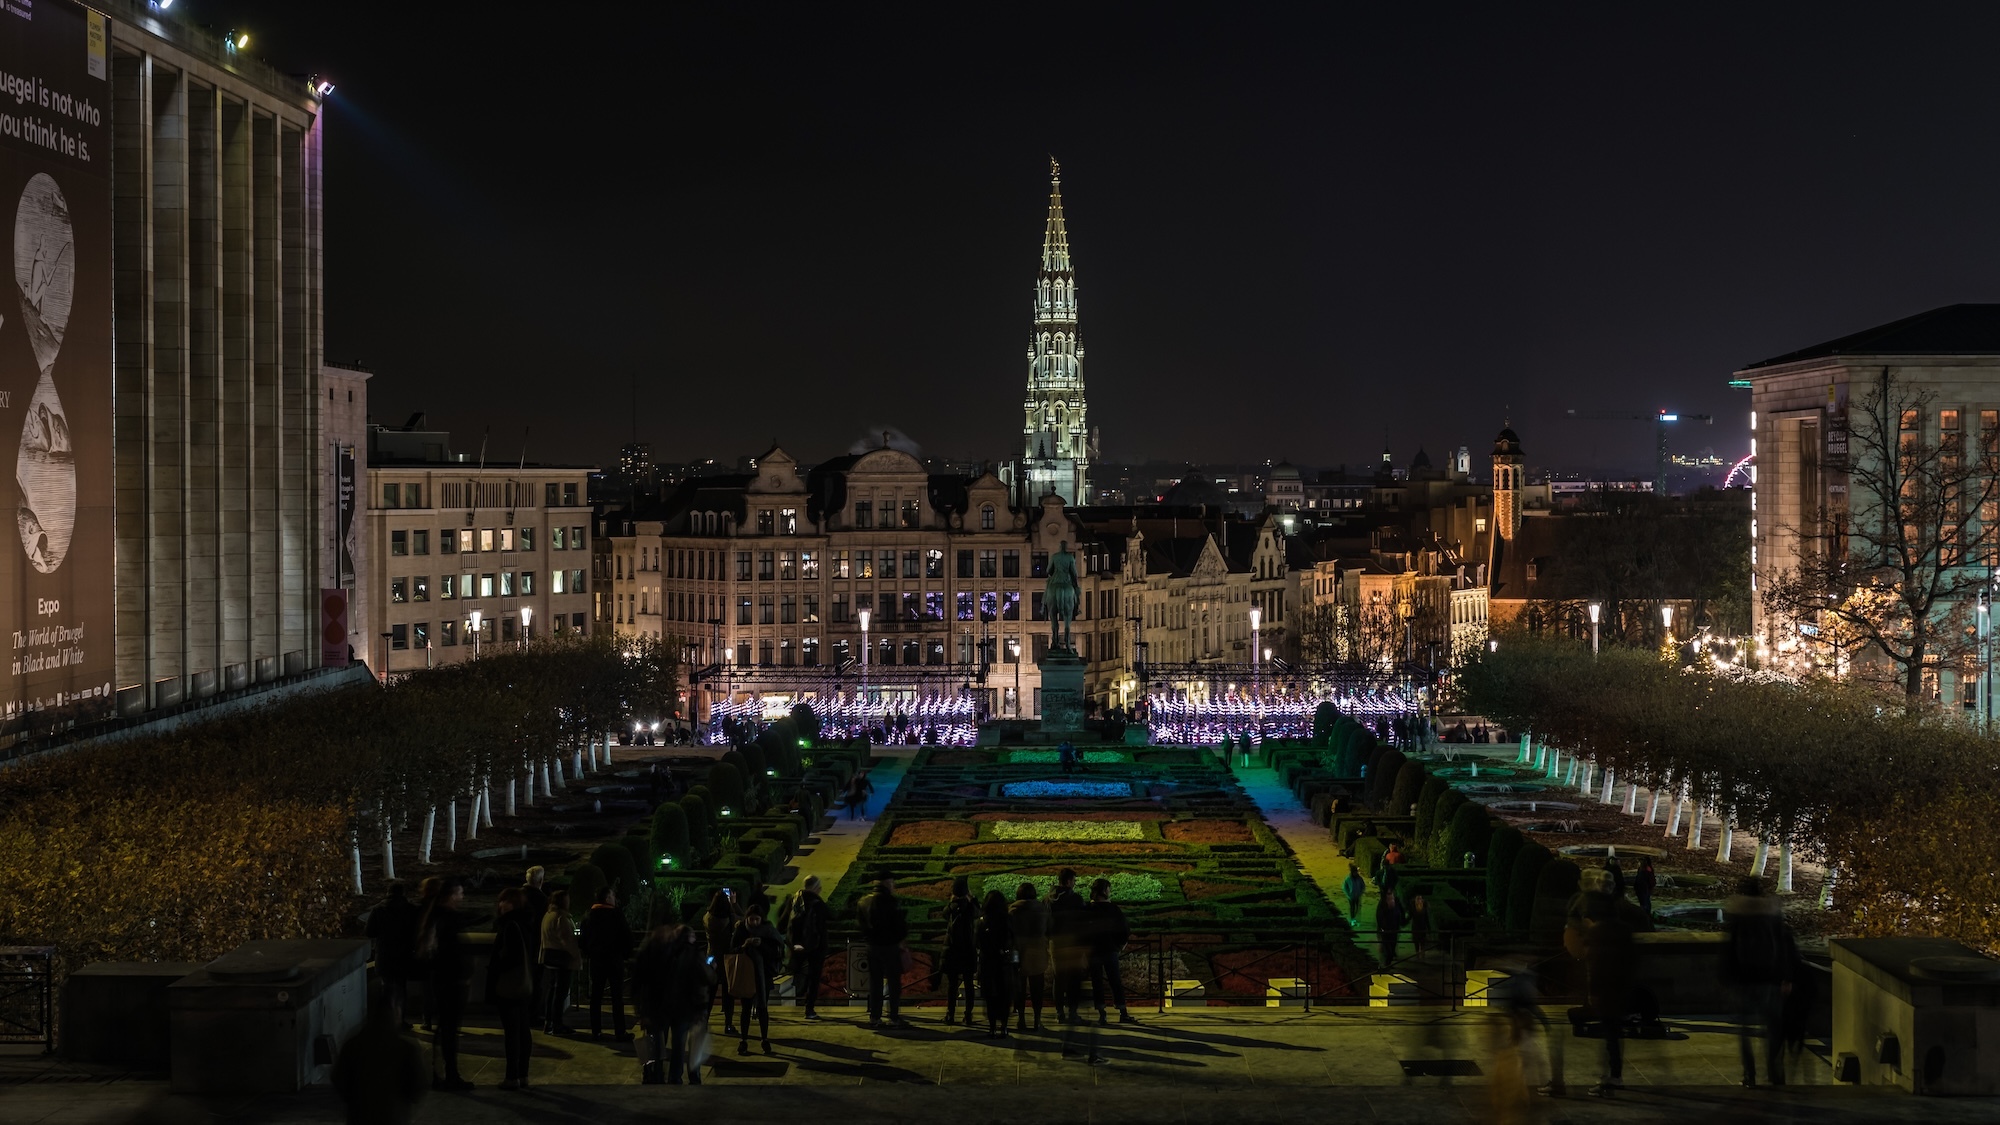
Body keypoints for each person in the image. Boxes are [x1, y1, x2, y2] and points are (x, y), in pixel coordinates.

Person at [1564, 867, 1638, 1097]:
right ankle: (1614, 1075)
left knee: (1609, 1036)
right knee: (1613, 1035)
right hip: (1621, 989)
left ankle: (1610, 1078)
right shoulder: (1623, 929)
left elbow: (1595, 966)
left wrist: (1592, 993)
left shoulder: (1597, 933)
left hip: (1605, 992)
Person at [1721, 877, 1795, 1088]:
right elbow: (1782, 946)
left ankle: (1749, 1074)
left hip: (1743, 980)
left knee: (1744, 1030)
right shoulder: (1772, 912)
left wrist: (1726, 977)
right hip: (1770, 979)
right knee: (1773, 1028)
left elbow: (1729, 949)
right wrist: (1786, 977)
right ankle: (1774, 1071)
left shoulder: (1737, 913)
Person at [332, 979, 428, 1125]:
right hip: (393, 1118)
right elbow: (417, 1088)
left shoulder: (353, 1045)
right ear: (395, 1010)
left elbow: (340, 1080)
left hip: (360, 1118)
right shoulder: (405, 1048)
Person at [415, 879, 472, 1091]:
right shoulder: (447, 918)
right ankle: (449, 1075)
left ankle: (442, 1074)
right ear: (451, 895)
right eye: (460, 893)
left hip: (442, 980)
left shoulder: (435, 916)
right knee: (449, 1030)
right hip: (450, 981)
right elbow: (451, 951)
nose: (462, 897)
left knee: (445, 1029)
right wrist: (463, 974)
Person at [487, 887, 537, 1091]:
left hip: (509, 986)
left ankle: (512, 1076)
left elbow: (510, 957)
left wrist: (496, 966)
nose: (501, 904)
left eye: (506, 901)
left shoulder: (510, 925)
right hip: (524, 985)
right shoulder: (525, 923)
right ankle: (523, 1074)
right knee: (523, 1030)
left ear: (514, 904)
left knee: (512, 1033)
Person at [581, 885, 634, 1041]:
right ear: (607, 898)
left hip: (597, 960)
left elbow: (583, 939)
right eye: (612, 896)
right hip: (614, 960)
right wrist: (625, 955)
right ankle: (620, 1031)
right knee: (617, 996)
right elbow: (627, 937)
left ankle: (596, 1031)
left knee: (596, 995)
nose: (614, 898)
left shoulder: (589, 915)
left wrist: (590, 952)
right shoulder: (616, 914)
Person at [729, 902, 783, 1055]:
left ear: (761, 919)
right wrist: (744, 946)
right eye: (751, 919)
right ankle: (744, 1040)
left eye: (757, 919)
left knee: (763, 1007)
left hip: (764, 975)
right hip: (746, 974)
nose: (754, 922)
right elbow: (732, 950)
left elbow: (776, 952)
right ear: (747, 918)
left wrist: (762, 945)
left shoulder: (768, 930)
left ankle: (765, 1039)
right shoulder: (741, 929)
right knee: (745, 1008)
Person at [858, 873, 910, 1027]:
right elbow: (900, 925)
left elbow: (860, 925)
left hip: (872, 947)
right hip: (890, 947)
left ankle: (875, 1016)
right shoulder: (890, 901)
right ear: (887, 883)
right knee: (894, 983)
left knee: (875, 983)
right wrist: (900, 939)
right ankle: (894, 1017)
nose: (894, 886)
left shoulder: (863, 901)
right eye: (892, 883)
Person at [364, 882, 418, 1029]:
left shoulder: (378, 909)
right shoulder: (411, 909)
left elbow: (369, 932)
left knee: (387, 988)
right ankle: (400, 1019)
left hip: (385, 955)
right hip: (404, 955)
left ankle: (387, 1021)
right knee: (401, 988)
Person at [1082, 878, 1135, 1024]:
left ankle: (1102, 1014)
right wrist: (1120, 945)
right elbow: (1124, 929)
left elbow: (1082, 931)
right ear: (1105, 891)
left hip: (1093, 951)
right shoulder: (1113, 909)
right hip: (1110, 949)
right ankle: (1123, 1012)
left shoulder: (1088, 909)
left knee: (1097, 982)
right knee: (1115, 981)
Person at [1007, 881, 1051, 1031]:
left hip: (1018, 952)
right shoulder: (1042, 909)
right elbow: (1048, 929)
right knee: (1037, 988)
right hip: (1037, 951)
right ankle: (1037, 1020)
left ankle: (1021, 1020)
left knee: (1019, 988)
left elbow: (1009, 933)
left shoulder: (1013, 911)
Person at [787, 875, 831, 1021]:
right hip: (815, 946)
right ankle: (809, 1009)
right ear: (816, 887)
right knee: (814, 978)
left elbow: (784, 921)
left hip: (798, 945)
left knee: (796, 973)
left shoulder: (795, 899)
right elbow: (830, 916)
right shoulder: (817, 902)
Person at [1047, 869, 1089, 1026]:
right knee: (1073, 978)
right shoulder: (1076, 899)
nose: (1074, 883)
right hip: (1073, 943)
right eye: (1073, 881)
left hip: (1056, 943)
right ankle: (1072, 1012)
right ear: (1068, 881)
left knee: (1059, 978)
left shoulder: (1048, 899)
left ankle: (1059, 1012)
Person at [539, 889, 582, 1034]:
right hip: (562, 958)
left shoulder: (548, 915)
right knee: (560, 993)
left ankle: (549, 1022)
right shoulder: (561, 918)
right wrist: (576, 956)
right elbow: (567, 940)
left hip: (549, 956)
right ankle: (557, 1024)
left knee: (552, 991)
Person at [975, 889, 1015, 1038]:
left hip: (987, 962)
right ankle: (1004, 1027)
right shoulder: (1008, 920)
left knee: (990, 997)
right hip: (1004, 963)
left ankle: (992, 1028)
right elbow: (1013, 941)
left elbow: (976, 942)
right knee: (1004, 996)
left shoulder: (981, 921)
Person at [941, 877, 979, 1025]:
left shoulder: (950, 908)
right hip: (967, 951)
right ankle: (968, 1015)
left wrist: (952, 902)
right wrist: (972, 898)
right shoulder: (970, 908)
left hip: (952, 951)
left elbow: (944, 914)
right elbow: (979, 911)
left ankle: (950, 1014)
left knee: (952, 985)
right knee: (969, 984)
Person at [702, 889, 742, 1033]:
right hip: (726, 958)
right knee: (728, 993)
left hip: (711, 958)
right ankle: (728, 1024)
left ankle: (704, 1023)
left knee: (710, 993)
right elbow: (742, 919)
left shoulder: (707, 917)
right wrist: (734, 904)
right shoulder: (730, 919)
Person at [520, 867, 548, 1013]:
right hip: (535, 947)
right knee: (536, 982)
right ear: (541, 880)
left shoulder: (518, 895)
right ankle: (533, 1014)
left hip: (519, 945)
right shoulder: (542, 899)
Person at [1375, 888, 1406, 968]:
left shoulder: (1397, 903)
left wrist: (1402, 922)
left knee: (1392, 949)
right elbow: (1379, 917)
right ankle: (1385, 965)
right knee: (1388, 951)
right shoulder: (1382, 904)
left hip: (1394, 931)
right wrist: (1382, 928)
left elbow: (1401, 912)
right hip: (1385, 931)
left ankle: (1387, 963)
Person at [1409, 891, 1432, 956]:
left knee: (1422, 944)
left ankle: (1422, 955)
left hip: (1422, 928)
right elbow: (1410, 917)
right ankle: (1417, 955)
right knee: (1416, 944)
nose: (1419, 900)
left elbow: (1427, 919)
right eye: (1418, 899)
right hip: (1415, 929)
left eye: (1420, 899)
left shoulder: (1424, 908)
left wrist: (1429, 929)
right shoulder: (1413, 908)